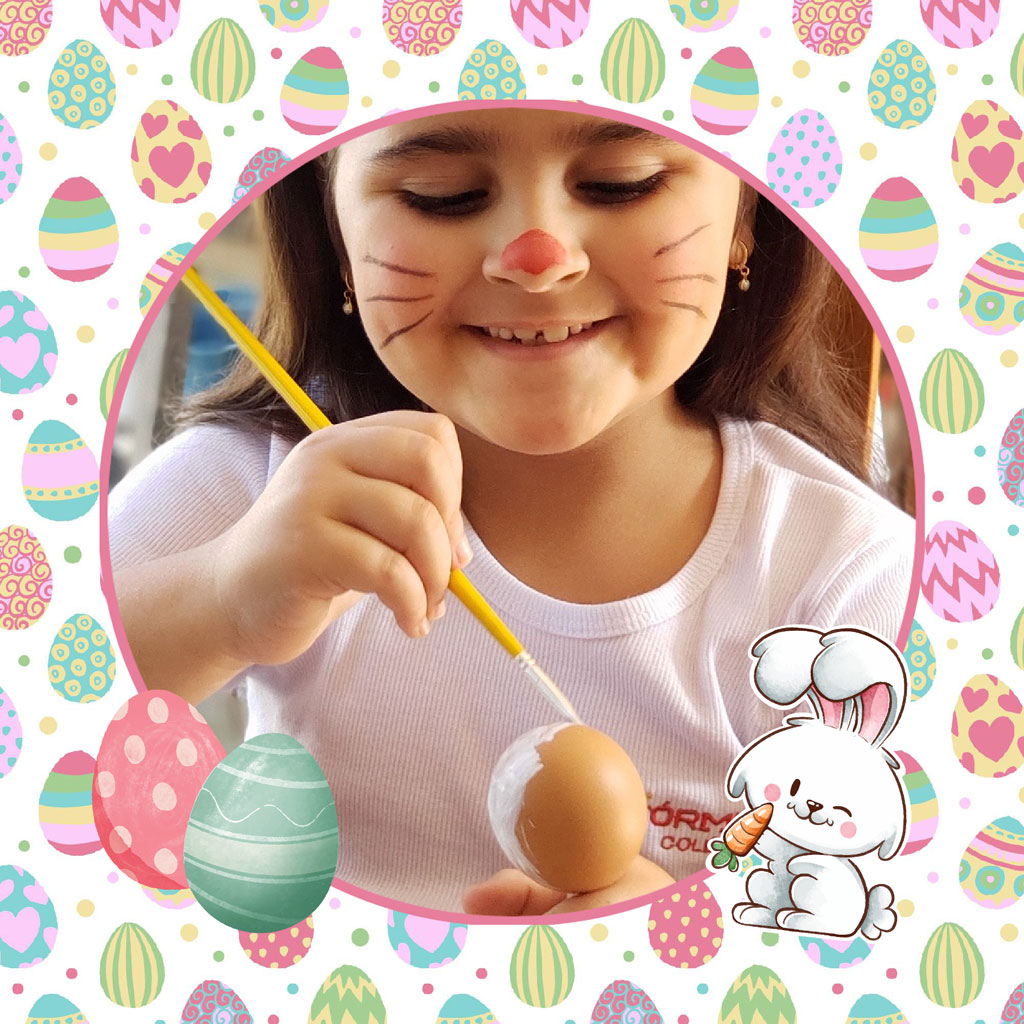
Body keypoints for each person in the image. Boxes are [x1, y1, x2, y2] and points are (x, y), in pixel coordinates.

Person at [108, 105, 916, 916]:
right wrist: (221, 601)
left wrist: (682, 939)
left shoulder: (851, 583)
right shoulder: (263, 484)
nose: (538, 257)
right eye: (441, 194)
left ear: (744, 217)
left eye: (621, 183)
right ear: (335, 235)